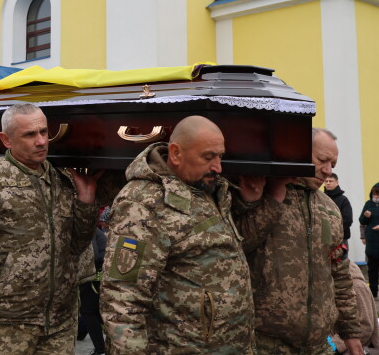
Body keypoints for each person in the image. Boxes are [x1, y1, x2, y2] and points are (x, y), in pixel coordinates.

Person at [0, 103, 99, 355]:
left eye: (44, 132)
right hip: (2, 326)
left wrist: (86, 203)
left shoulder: (63, 179)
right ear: (6, 139)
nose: (41, 141)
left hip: (58, 324)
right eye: (30, 134)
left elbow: (77, 246)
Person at [100, 116, 256, 354]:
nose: (218, 167)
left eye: (220, 156)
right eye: (208, 157)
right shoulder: (143, 203)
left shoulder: (207, 189)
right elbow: (122, 298)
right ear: (175, 154)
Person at [233, 127, 363, 355]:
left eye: (333, 164)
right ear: (298, 152)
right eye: (322, 160)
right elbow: (238, 246)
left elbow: (340, 274)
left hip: (318, 345)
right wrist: (272, 199)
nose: (328, 171)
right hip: (265, 344)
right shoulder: (260, 193)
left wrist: (351, 333)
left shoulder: (330, 209)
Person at [330, 261, 379, 354]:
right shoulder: (326, 283)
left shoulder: (357, 286)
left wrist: (334, 344)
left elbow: (366, 327)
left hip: (358, 349)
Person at [358, 181, 379, 298]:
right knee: (372, 269)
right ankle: (373, 294)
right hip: (372, 241)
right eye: (374, 194)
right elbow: (362, 221)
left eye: (378, 194)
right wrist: (365, 216)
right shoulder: (368, 204)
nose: (376, 196)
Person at [80, 220, 106, 355]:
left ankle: (100, 350)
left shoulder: (88, 230)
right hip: (95, 276)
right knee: (89, 311)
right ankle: (80, 333)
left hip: (94, 277)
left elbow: (94, 255)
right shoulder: (92, 229)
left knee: (89, 311)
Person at [324, 172, 353, 245]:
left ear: (337, 183)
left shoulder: (343, 200)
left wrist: (334, 232)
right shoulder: (321, 198)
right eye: (326, 181)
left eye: (330, 181)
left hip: (341, 239)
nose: (328, 183)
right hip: (324, 239)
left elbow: (348, 220)